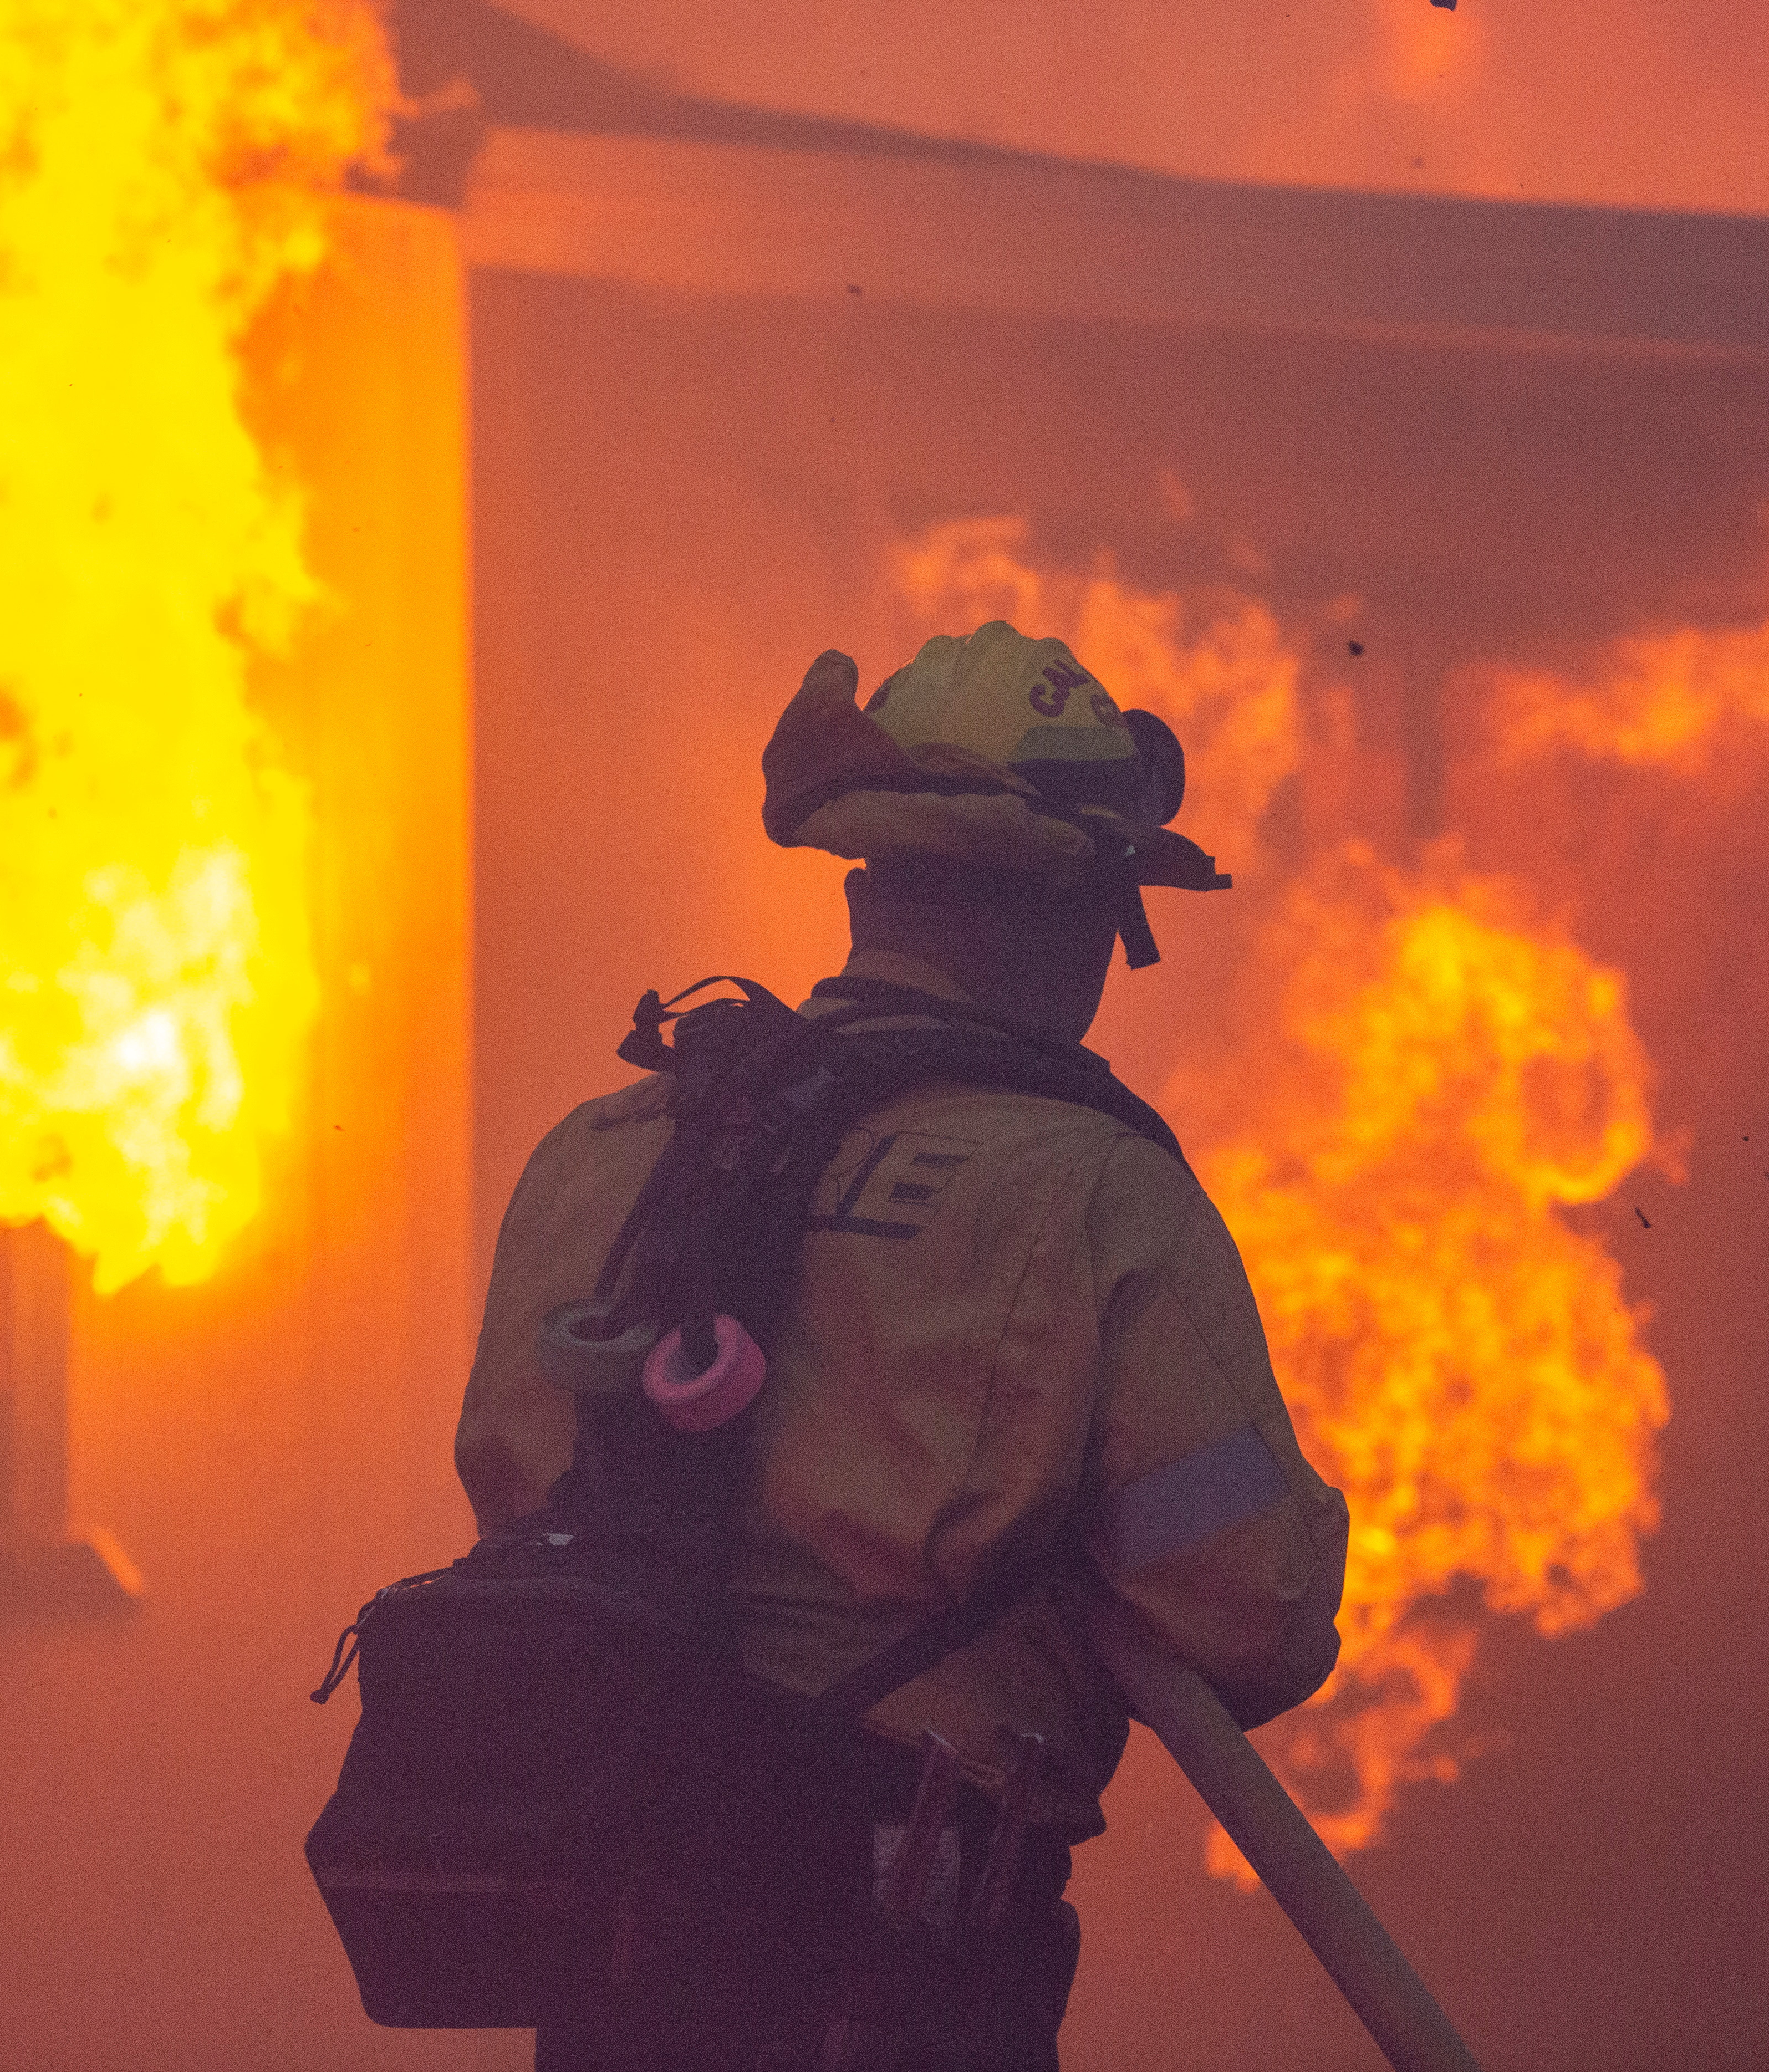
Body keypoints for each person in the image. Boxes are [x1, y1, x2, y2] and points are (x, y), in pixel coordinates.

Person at [451, 624, 1350, 2070]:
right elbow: (1257, 1612)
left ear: (867, 884)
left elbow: (512, 1497)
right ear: (1079, 911)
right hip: (892, 1959)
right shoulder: (1092, 1193)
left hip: (611, 1944)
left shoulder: (609, 1147)